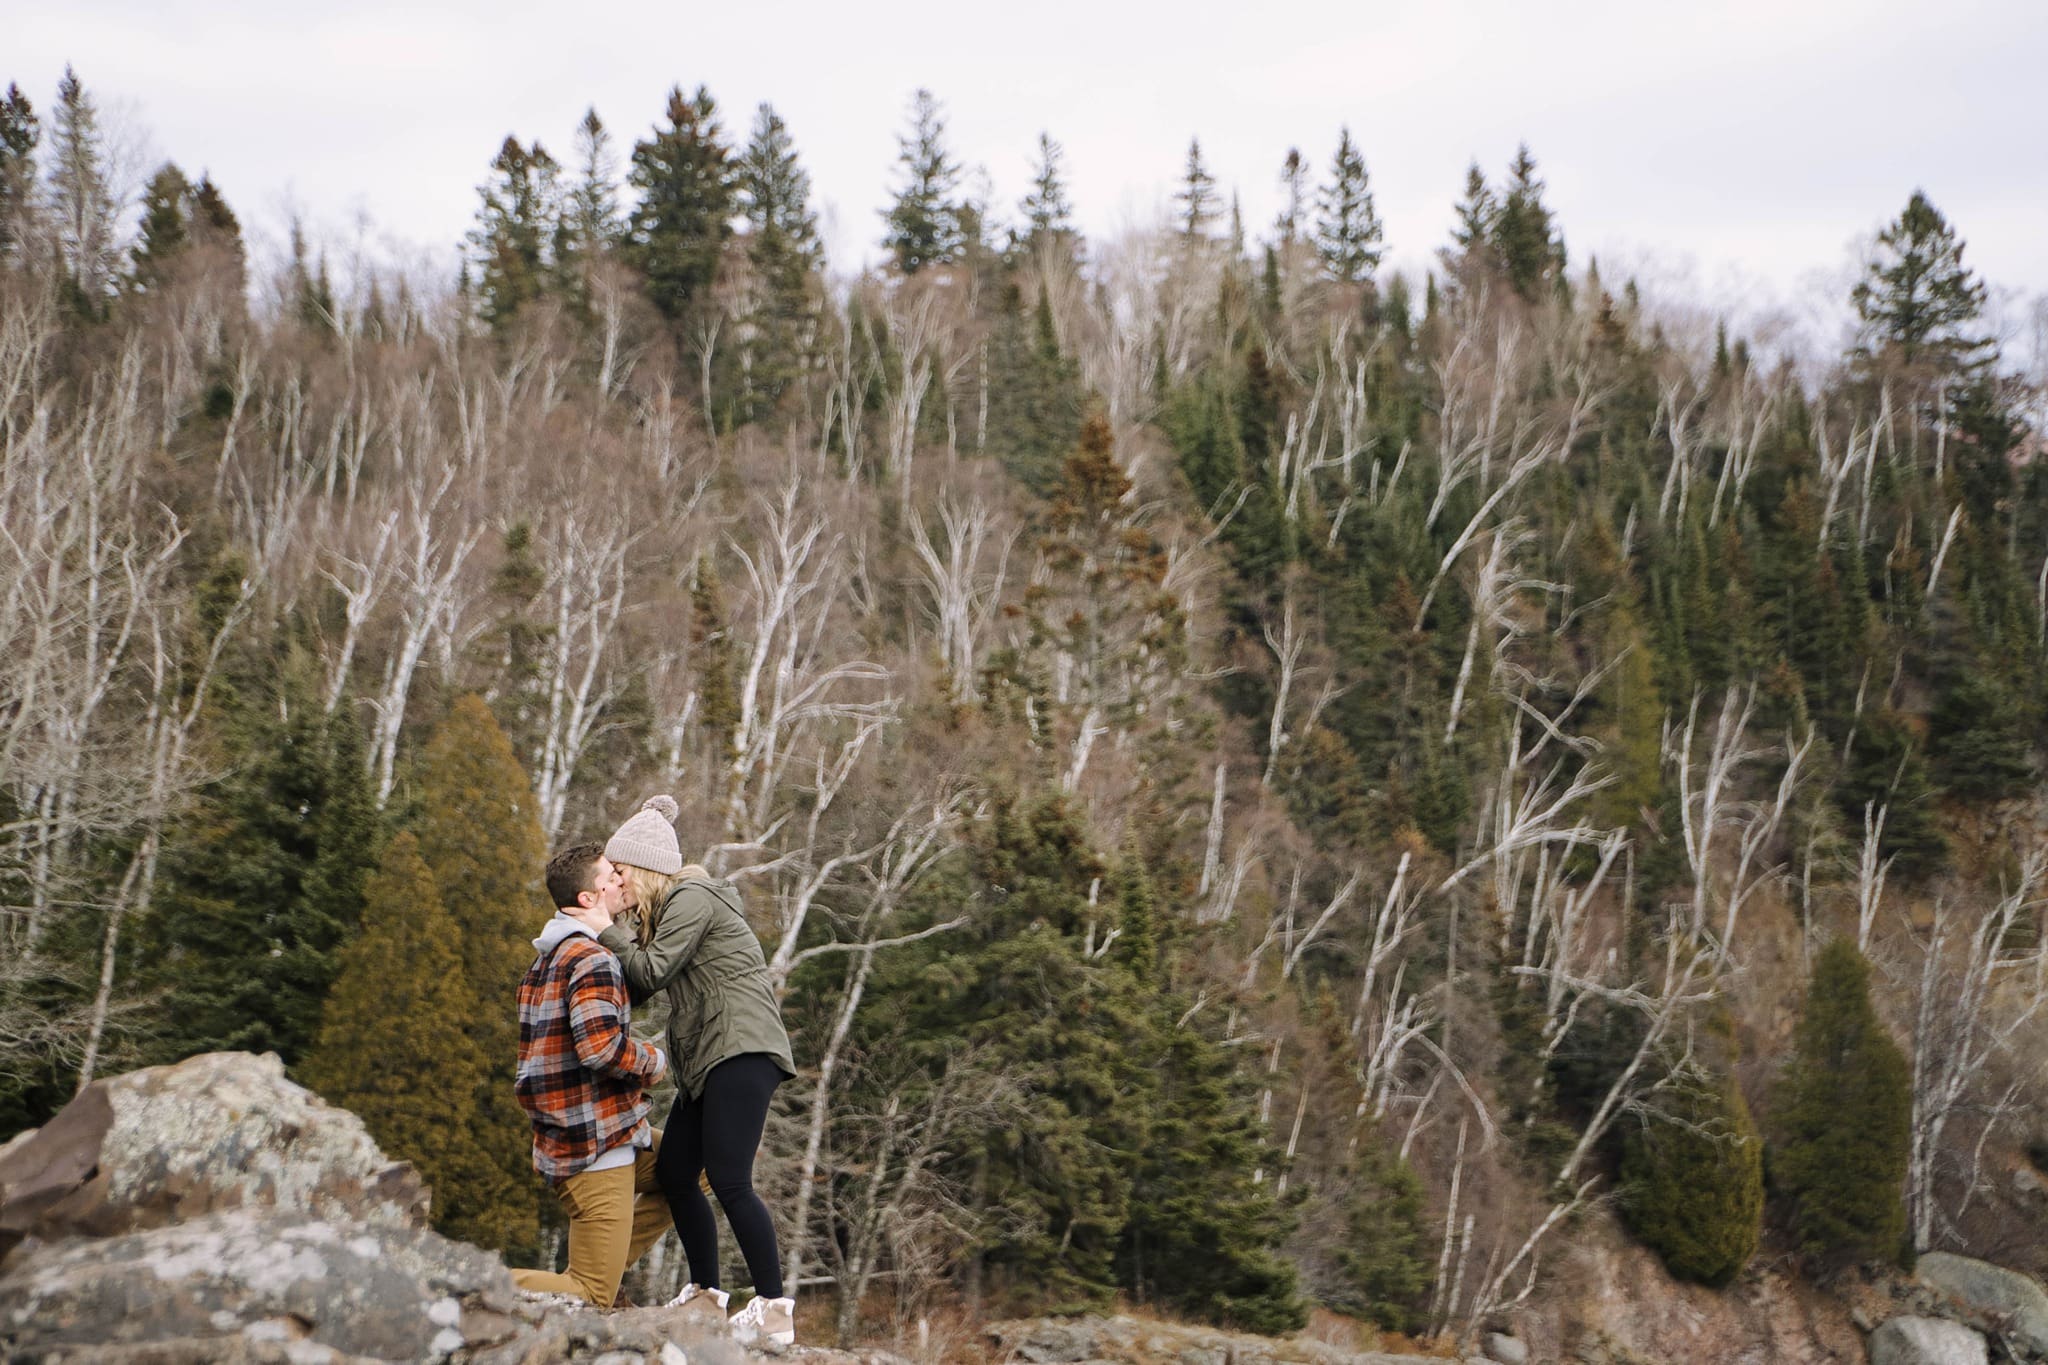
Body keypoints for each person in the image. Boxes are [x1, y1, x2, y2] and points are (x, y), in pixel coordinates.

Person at [598, 795, 799, 1347]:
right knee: (677, 1172)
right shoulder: (663, 916)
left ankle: (775, 1311)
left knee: (731, 1179)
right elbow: (637, 983)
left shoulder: (693, 895)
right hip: (707, 1060)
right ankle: (708, 1297)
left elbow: (653, 971)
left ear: (642, 869)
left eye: (619, 872)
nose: (615, 883)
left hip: (741, 1050)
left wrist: (602, 924)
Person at [508, 842, 672, 1309]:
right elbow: (601, 1049)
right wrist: (654, 1061)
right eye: (611, 877)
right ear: (587, 899)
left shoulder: (543, 963)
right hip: (594, 1142)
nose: (622, 881)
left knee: (692, 1168)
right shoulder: (594, 959)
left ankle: (607, 1260)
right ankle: (462, 1283)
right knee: (591, 1293)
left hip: (592, 1133)